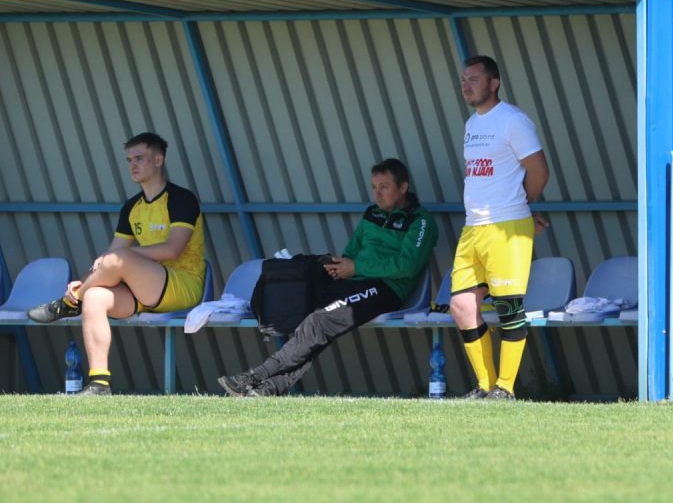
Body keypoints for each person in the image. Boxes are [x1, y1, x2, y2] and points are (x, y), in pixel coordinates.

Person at [218, 158, 438, 397]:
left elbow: (407, 266)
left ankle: (255, 376)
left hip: (386, 288)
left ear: (403, 187)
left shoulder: (420, 221)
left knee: (319, 322)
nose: (377, 194)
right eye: (374, 187)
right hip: (353, 282)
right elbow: (352, 251)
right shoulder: (372, 213)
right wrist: (339, 266)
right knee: (304, 306)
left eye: (384, 187)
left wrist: (356, 267)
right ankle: (269, 389)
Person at [28, 132, 206, 396]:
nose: (133, 165)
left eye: (140, 158)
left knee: (120, 259)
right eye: (129, 160)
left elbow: (172, 250)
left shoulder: (182, 199)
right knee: (95, 297)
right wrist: (84, 281)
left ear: (158, 160)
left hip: (183, 284)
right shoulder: (132, 207)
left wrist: (123, 258)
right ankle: (99, 384)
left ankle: (68, 303)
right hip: (145, 288)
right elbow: (109, 258)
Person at [450, 55, 550, 400]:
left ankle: (505, 388)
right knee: (461, 305)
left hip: (506, 226)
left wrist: (521, 206)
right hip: (473, 228)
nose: (466, 86)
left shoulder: (513, 121)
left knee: (508, 307)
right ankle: (484, 385)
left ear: (494, 83)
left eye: (474, 79)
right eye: (464, 80)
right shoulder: (471, 124)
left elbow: (539, 172)